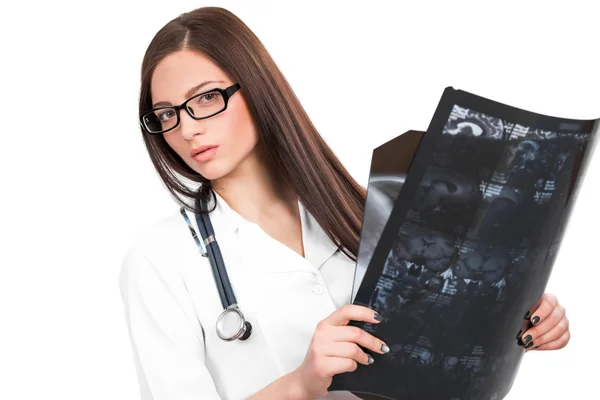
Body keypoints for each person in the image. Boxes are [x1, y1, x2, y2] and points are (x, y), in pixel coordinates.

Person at [118, 6, 571, 400]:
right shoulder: (159, 259)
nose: (187, 128)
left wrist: (516, 322)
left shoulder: (367, 210)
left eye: (207, 98)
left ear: (256, 87)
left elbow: (438, 353)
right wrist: (302, 383)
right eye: (166, 114)